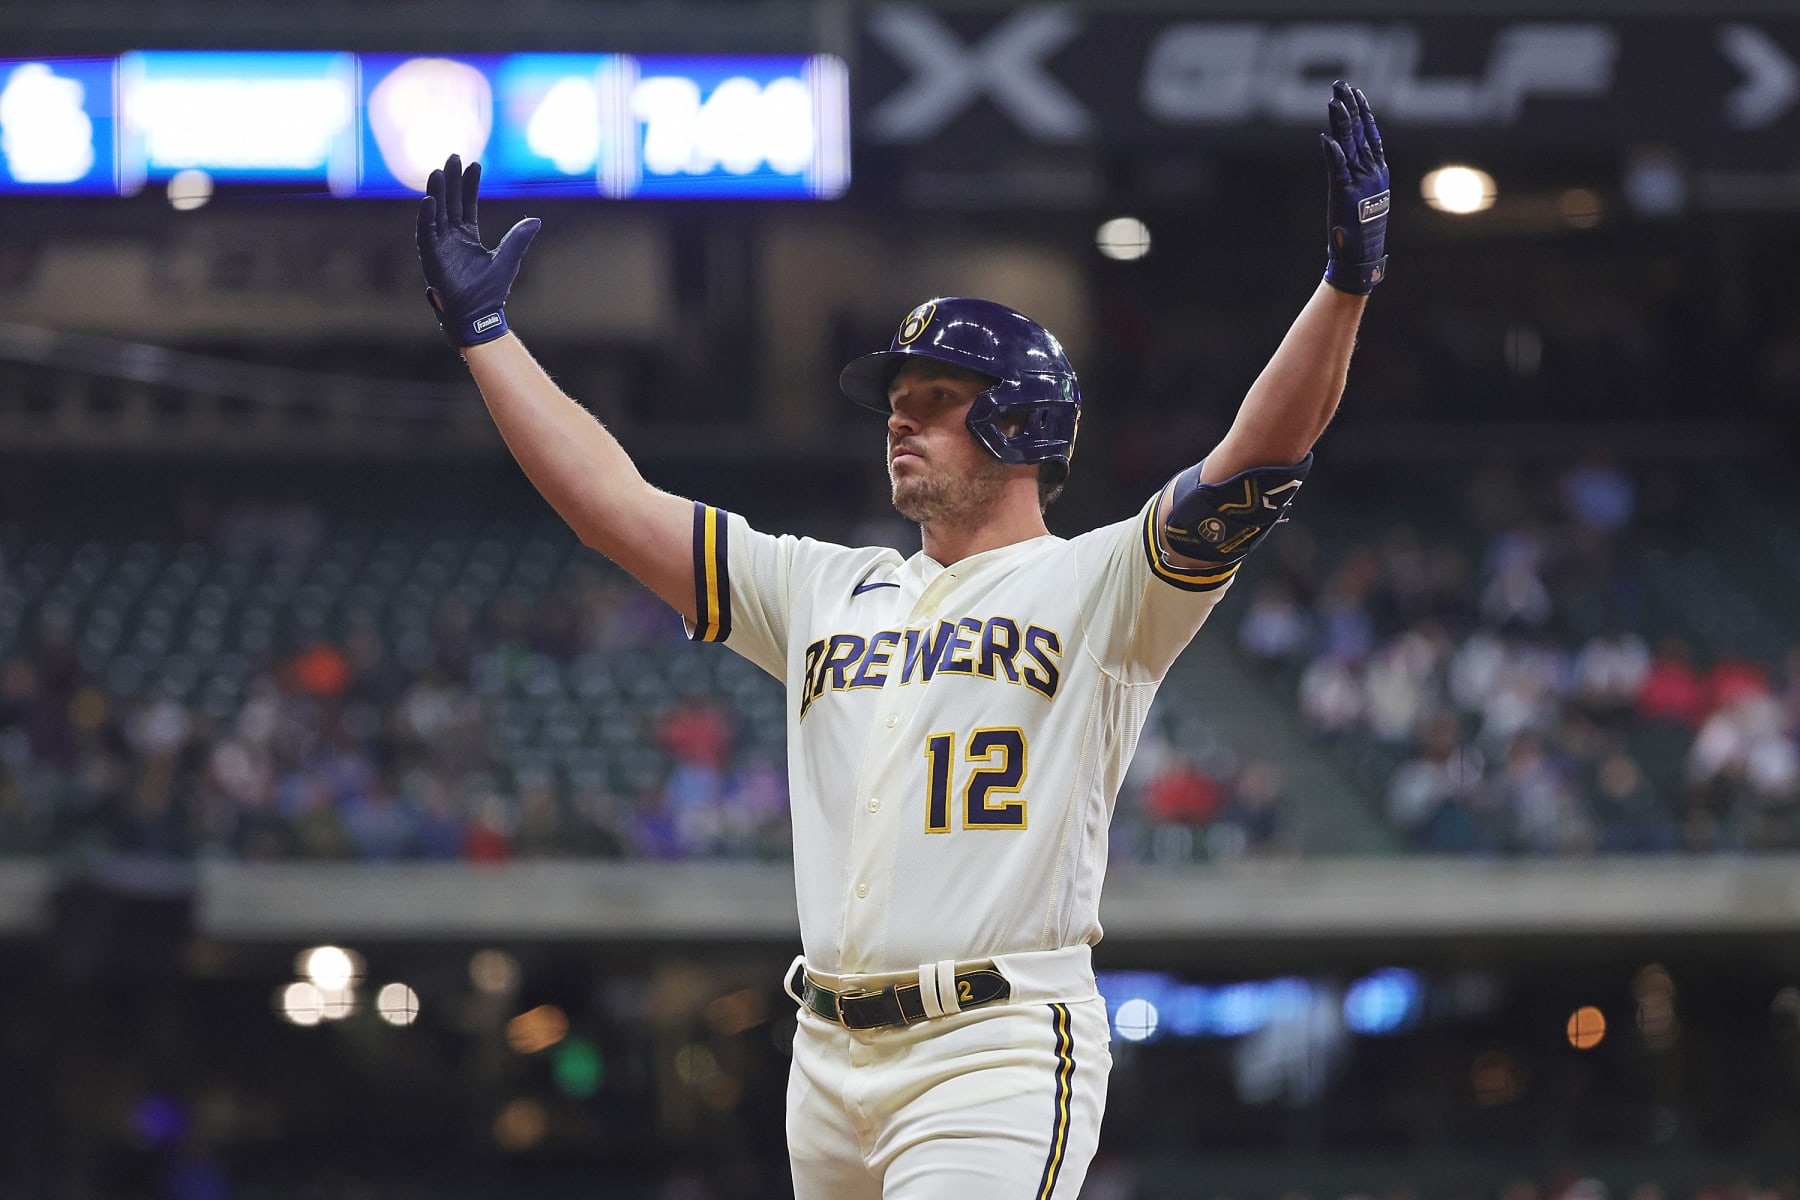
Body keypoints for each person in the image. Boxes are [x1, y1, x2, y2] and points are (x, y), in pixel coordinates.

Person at [416, 79, 1389, 1200]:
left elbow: (1256, 459)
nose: (898, 416)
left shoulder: (1102, 580)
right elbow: (614, 506)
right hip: (824, 1058)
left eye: (932, 397)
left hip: (996, 1045)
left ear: (1020, 422)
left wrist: (1345, 286)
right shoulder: (822, 587)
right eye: (897, 398)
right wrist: (488, 338)